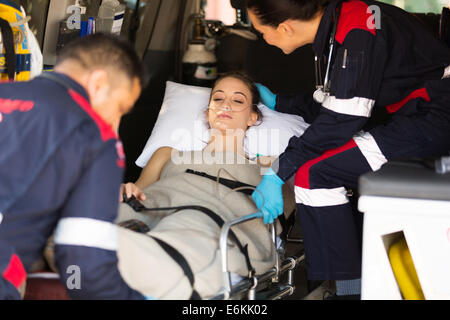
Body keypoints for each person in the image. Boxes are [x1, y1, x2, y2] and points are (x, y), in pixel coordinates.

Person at [246, 0, 450, 299]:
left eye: (262, 31)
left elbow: (341, 118)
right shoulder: (347, 19)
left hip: (436, 117)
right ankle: (357, 283)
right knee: (324, 173)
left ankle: (349, 293)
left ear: (285, 27)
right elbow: (340, 98)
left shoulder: (356, 33)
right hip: (421, 114)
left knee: (313, 177)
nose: (264, 39)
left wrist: (277, 173)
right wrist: (281, 103)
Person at [0, 33, 148, 299]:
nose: (115, 123)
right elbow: (82, 265)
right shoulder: (94, 137)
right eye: (119, 108)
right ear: (99, 83)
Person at [120, 71, 269, 203]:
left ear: (252, 117)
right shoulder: (166, 155)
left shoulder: (266, 167)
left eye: (237, 100)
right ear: (207, 113)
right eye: (218, 99)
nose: (225, 105)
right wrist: (126, 190)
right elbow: (137, 196)